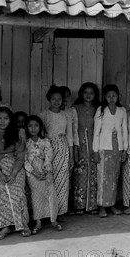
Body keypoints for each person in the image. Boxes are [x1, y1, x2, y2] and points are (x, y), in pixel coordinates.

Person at [0, 107, 30, 239]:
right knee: (0, 195)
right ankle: (5, 228)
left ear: (11, 120)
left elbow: (21, 155)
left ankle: (23, 224)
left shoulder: (17, 133)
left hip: (15, 168)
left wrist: (14, 173)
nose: (2, 121)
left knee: (17, 192)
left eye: (6, 118)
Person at [92, 84, 128, 218]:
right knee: (103, 178)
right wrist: (95, 151)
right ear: (105, 97)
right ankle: (102, 206)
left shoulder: (122, 110)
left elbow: (124, 130)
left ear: (118, 96)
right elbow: (96, 132)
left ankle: (112, 204)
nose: (111, 98)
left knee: (114, 177)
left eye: (114, 96)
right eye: (109, 96)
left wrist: (124, 149)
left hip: (117, 148)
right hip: (104, 147)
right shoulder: (101, 110)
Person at [39, 86, 75, 218]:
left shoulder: (66, 115)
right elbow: (40, 136)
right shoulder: (43, 115)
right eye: (53, 98)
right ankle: (48, 210)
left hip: (63, 147)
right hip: (48, 148)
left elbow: (70, 136)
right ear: (49, 99)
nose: (56, 101)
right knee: (49, 179)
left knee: (62, 180)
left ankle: (59, 211)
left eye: (59, 99)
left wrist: (71, 157)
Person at [24, 115, 61, 233]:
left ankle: (53, 220)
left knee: (51, 194)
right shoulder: (25, 143)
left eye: (36, 125)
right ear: (26, 128)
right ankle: (38, 222)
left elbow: (49, 155)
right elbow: (24, 160)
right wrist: (34, 172)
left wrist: (45, 169)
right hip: (32, 174)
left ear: (40, 127)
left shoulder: (45, 141)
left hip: (45, 171)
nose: (33, 128)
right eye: (30, 126)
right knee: (36, 197)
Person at [72, 82, 101, 214]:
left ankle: (92, 205)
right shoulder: (75, 108)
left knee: (93, 173)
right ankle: (79, 205)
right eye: (86, 92)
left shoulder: (98, 109)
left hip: (94, 143)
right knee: (80, 173)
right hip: (80, 143)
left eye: (91, 93)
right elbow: (72, 128)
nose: (88, 95)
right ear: (81, 94)